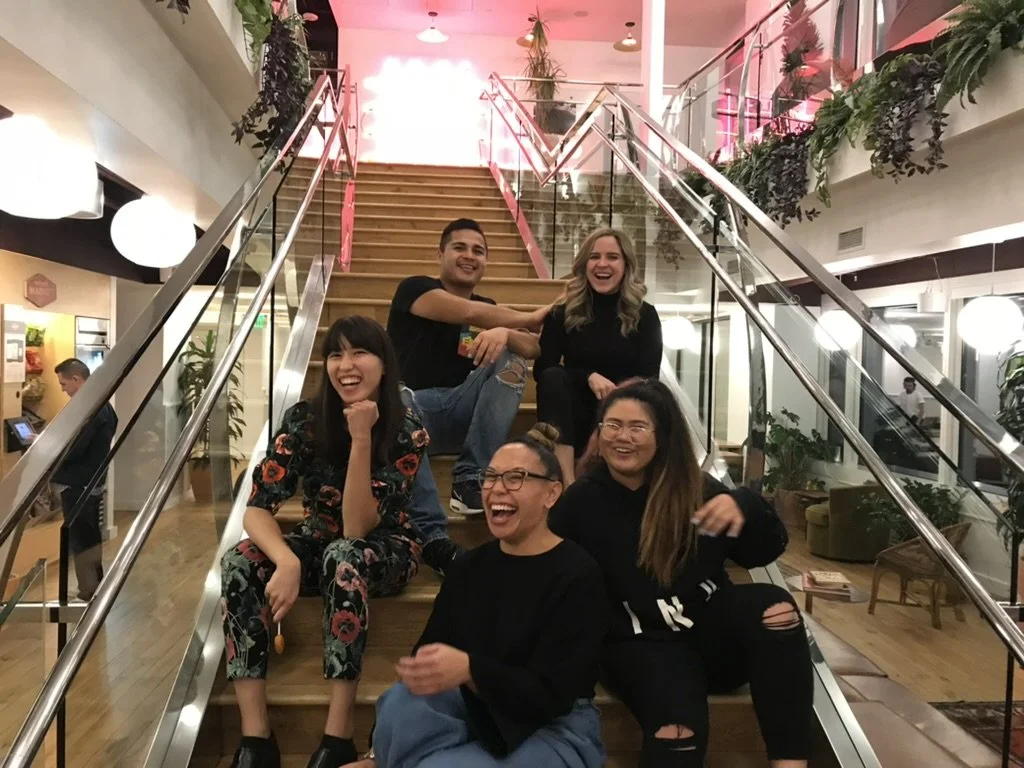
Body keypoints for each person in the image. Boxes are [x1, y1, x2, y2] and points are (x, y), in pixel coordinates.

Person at [550, 379, 813, 768]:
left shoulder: (695, 489)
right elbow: (552, 580)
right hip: (638, 645)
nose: (622, 437)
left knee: (777, 609)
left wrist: (744, 504)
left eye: (637, 427)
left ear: (661, 437)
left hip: (709, 635)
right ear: (599, 433)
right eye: (613, 425)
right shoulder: (582, 501)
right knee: (677, 730)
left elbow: (761, 553)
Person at [220, 316, 428, 768]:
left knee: (344, 554)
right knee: (239, 561)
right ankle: (256, 738)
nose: (345, 365)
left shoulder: (407, 430)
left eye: (359, 353)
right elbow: (256, 508)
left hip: (386, 546)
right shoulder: (304, 420)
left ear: (384, 365)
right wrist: (286, 562)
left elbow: (356, 527)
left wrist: (361, 439)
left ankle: (338, 736)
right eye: (336, 354)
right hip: (318, 543)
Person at [344, 424, 606, 768]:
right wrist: (377, 752)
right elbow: (426, 661)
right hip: (479, 705)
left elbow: (552, 694)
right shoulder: (470, 567)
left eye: (515, 478)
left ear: (551, 494)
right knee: (401, 701)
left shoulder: (578, 573)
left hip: (554, 724)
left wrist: (471, 670)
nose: (497, 489)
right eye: (491, 477)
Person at [386, 218, 548, 575]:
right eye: (459, 247)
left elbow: (534, 347)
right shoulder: (415, 289)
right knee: (396, 397)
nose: (469, 256)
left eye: (479, 251)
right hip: (409, 419)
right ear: (440, 253)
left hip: (462, 414)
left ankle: (471, 477)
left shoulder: (489, 307)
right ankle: (433, 538)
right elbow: (468, 312)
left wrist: (505, 333)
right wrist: (526, 317)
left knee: (511, 359)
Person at [534, 228, 662, 485]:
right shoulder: (562, 312)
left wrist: (610, 418)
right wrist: (588, 376)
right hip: (572, 418)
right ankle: (566, 483)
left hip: (624, 416)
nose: (602, 264)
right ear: (584, 264)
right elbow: (542, 368)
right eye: (594, 257)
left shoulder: (645, 315)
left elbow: (649, 380)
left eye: (612, 257)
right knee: (553, 377)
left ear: (626, 265)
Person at [52, 358, 118, 600]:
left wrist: (50, 448)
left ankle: (89, 591)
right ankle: (94, 587)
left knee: (82, 539)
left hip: (80, 484)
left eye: (63, 384)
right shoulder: (104, 405)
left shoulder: (92, 409)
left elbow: (76, 449)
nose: (63, 389)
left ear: (76, 379)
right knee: (89, 537)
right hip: (91, 481)